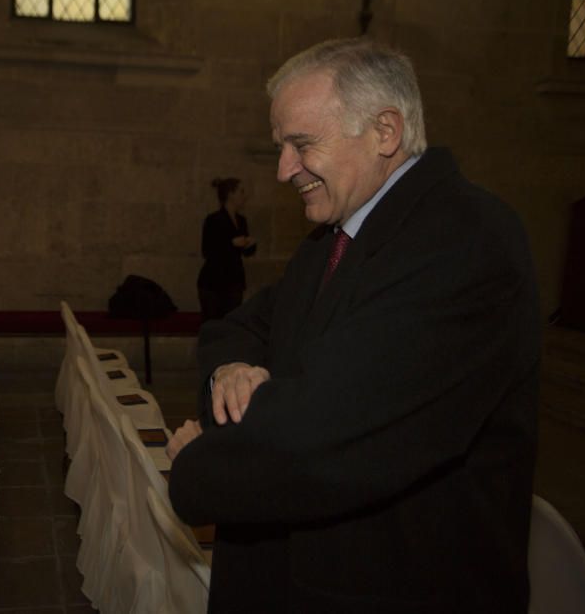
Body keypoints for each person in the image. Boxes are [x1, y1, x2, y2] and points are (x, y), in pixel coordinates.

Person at [166, 39, 540, 612]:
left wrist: (199, 464)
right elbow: (239, 324)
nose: (284, 169)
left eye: (302, 144)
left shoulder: (466, 240)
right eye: (280, 147)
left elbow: (331, 434)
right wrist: (230, 370)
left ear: (385, 131)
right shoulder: (331, 241)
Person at [196, 177, 256, 322]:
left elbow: (246, 253)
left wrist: (250, 244)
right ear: (230, 194)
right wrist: (231, 243)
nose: (244, 196)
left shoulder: (241, 221)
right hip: (213, 282)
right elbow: (207, 250)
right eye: (241, 192)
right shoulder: (213, 220)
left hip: (234, 281)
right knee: (213, 325)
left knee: (230, 325)